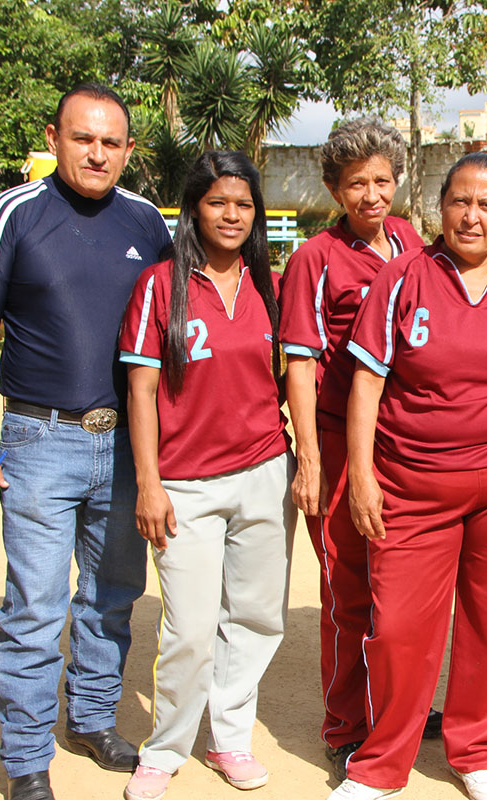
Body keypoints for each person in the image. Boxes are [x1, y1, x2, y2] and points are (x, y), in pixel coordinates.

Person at [0, 83, 172, 800]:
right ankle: (24, 759)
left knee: (113, 596)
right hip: (39, 438)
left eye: (112, 142)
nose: (97, 153)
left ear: (130, 150)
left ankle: (91, 718)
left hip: (125, 448)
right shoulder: (13, 213)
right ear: (54, 138)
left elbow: (175, 331)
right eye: (83, 138)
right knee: (35, 606)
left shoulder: (146, 221)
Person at [331, 152, 487, 800]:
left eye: (486, 203)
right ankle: (379, 765)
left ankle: (476, 750)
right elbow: (366, 383)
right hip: (413, 488)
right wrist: (363, 477)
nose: (471, 215)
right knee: (398, 630)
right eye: (460, 200)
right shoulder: (404, 278)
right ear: (438, 207)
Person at [118, 150, 296, 800]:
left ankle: (228, 737)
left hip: (264, 475)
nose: (231, 215)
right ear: (195, 207)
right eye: (218, 202)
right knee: (189, 628)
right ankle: (164, 749)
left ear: (256, 214)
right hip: (184, 485)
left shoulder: (266, 286)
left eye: (243, 205)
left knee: (254, 618)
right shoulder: (161, 285)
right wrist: (148, 481)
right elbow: (141, 390)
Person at [278, 118, 435, 782]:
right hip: (340, 442)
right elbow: (299, 360)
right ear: (334, 190)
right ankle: (345, 724)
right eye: (356, 184)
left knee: (399, 585)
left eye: (382, 181)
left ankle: (396, 706)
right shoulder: (316, 257)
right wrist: (311, 460)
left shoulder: (407, 238)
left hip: (402, 442)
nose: (372, 195)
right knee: (347, 590)